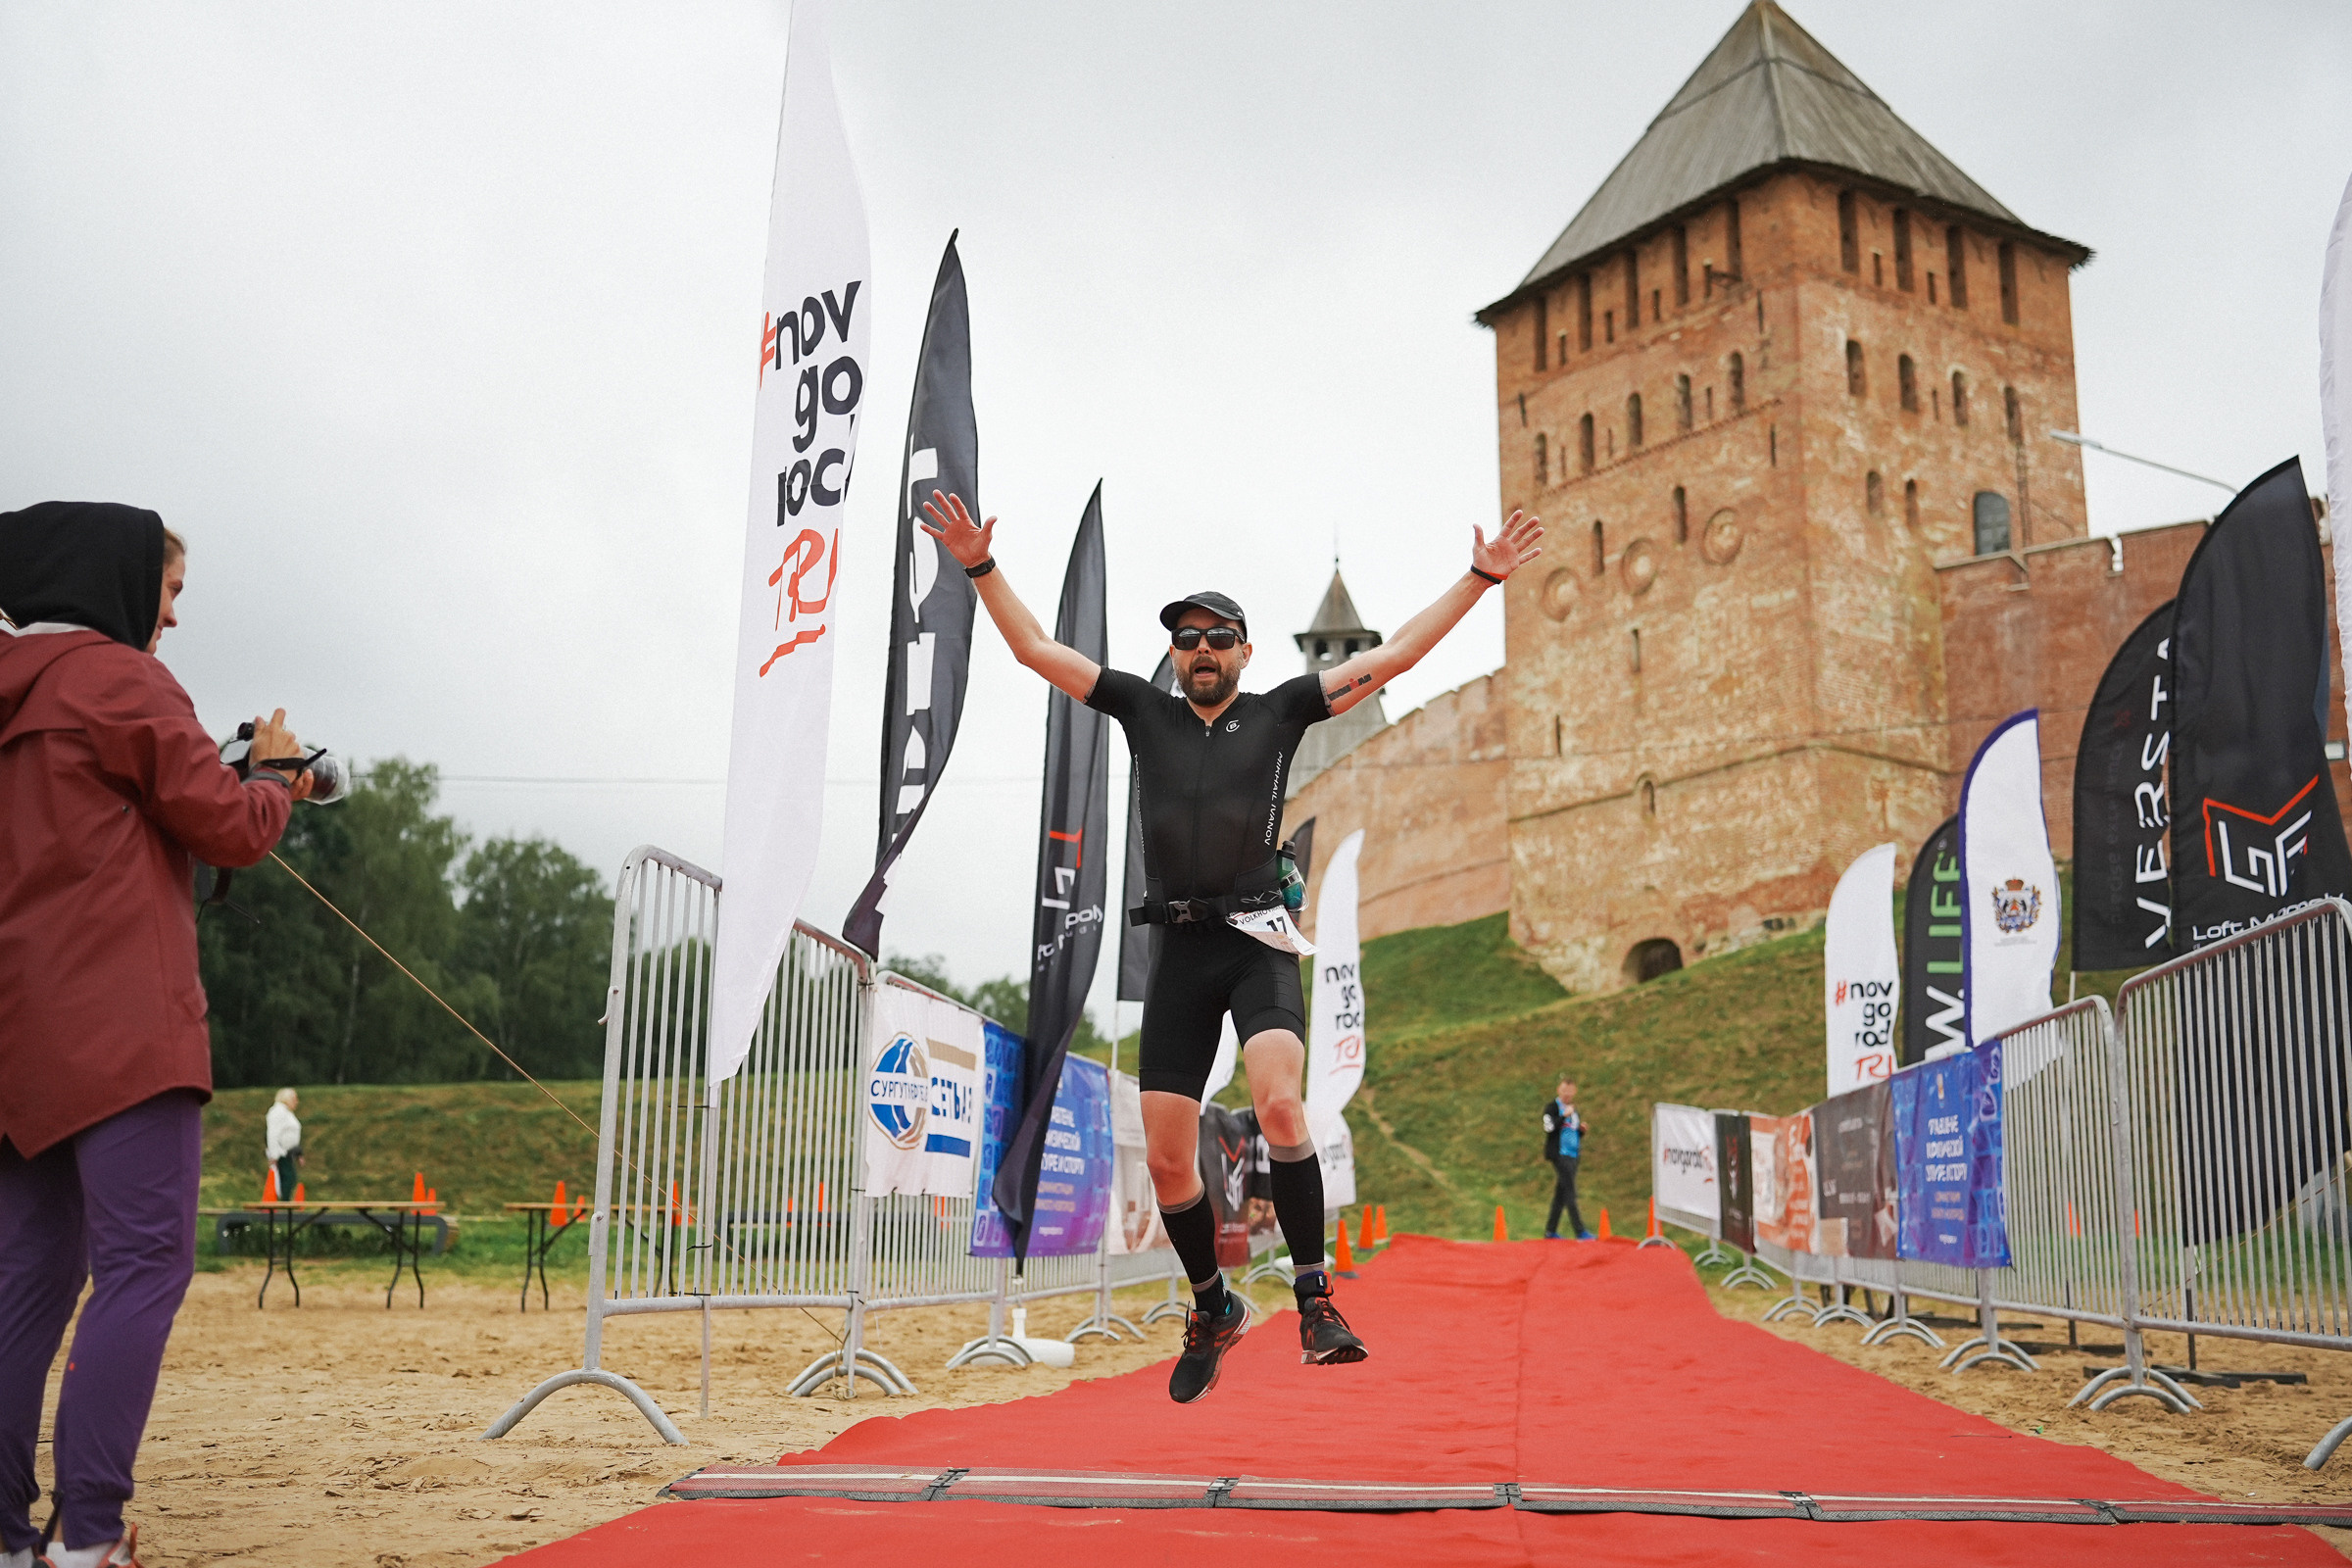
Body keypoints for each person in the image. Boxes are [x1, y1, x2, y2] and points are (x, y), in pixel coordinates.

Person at [922, 492, 1543, 1401]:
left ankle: (1314, 1299)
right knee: (1171, 1158)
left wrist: (1480, 577)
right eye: (1187, 639)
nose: (1202, 650)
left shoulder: (1285, 708)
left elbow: (1397, 653)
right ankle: (1213, 1305)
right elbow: (1033, 652)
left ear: (1246, 652)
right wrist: (980, 566)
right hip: (1180, 950)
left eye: (1219, 637)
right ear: (1175, 657)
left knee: (1280, 1108)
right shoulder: (1143, 710)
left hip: (1256, 940)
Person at [0, 503, 314, 1568]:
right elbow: (224, 824)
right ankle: (89, 1535)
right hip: (125, 1032)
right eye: (169, 590)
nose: (171, 618)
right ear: (116, 579)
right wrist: (273, 778)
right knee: (141, 1268)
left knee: (24, 1283)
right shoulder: (122, 680)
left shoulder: (17, 687)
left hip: (15, 1036)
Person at [1543, 1077, 1593, 1241]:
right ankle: (1580, 1231)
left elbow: (1571, 1131)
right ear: (1559, 1090)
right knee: (1570, 1192)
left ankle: (1550, 1231)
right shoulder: (1552, 1108)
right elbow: (1549, 1127)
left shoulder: (1573, 1110)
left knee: (1561, 1193)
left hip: (1573, 1155)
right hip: (1559, 1154)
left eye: (1570, 1092)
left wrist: (1581, 1131)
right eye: (1565, 1091)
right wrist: (1563, 1116)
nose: (1567, 1095)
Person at [265, 1089, 303, 1201]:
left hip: (287, 1153)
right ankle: (284, 1206)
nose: (296, 1102)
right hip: (281, 1153)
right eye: (294, 1099)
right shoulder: (278, 1112)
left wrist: (298, 1153)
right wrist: (274, 1155)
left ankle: (285, 1204)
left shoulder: (285, 1112)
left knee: (290, 1178)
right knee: (288, 1178)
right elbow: (273, 1134)